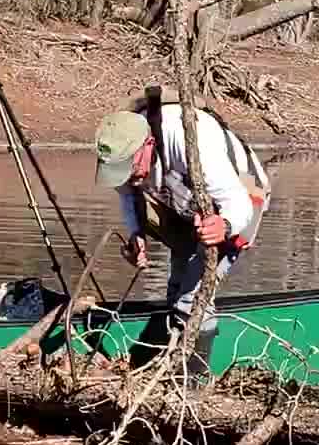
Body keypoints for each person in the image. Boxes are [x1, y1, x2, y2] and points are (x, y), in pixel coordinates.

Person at [93, 88, 271, 378]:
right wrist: (136, 233)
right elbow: (127, 195)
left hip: (242, 194)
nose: (126, 177)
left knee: (192, 295)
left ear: (148, 144)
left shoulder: (192, 140)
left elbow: (237, 202)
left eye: (130, 168)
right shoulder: (117, 147)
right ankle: (171, 364)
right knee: (177, 289)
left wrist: (223, 225)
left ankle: (194, 382)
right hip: (185, 199)